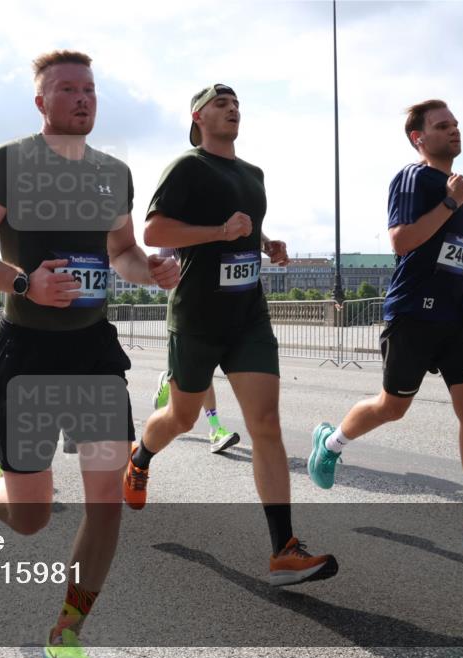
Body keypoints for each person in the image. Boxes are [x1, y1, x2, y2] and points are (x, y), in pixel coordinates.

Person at [0, 50, 179, 658]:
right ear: (41, 102)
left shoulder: (113, 172)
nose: (82, 99)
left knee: (106, 502)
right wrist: (24, 283)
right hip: (28, 351)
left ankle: (66, 634)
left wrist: (149, 271)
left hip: (94, 349)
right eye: (68, 89)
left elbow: (123, 249)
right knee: (30, 518)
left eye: (90, 90)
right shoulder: (9, 163)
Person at [123, 84, 338, 588]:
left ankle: (283, 549)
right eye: (221, 103)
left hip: (248, 317)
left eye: (237, 103)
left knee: (265, 422)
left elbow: (246, 225)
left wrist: (266, 241)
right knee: (182, 415)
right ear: (197, 115)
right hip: (198, 316)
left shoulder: (253, 174)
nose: (233, 109)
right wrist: (219, 233)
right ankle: (141, 457)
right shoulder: (187, 167)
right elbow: (154, 232)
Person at [309, 99, 463, 555]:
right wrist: (453, 201)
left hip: (457, 318)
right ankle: (331, 443)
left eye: (455, 123)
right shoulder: (416, 178)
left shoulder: (452, 191)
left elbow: (441, 247)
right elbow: (402, 240)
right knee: (393, 407)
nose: (454, 130)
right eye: (442, 125)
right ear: (419, 138)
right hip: (414, 314)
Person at [152, 247, 241, 453]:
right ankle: (216, 428)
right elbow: (162, 260)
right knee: (204, 373)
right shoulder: (177, 218)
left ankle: (170, 379)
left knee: (204, 372)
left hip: (221, 308)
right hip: (188, 310)